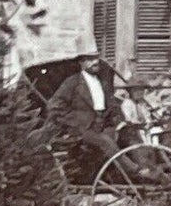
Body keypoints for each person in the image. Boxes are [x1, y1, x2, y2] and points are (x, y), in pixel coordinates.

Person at [43, 44, 124, 173]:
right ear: (81, 62)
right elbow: (54, 105)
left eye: (96, 58)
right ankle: (134, 170)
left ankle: (146, 168)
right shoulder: (73, 82)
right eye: (90, 59)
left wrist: (118, 119)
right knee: (105, 142)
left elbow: (111, 104)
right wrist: (75, 120)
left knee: (125, 135)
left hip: (101, 124)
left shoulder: (101, 82)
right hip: (81, 128)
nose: (95, 62)